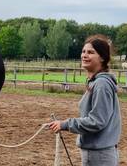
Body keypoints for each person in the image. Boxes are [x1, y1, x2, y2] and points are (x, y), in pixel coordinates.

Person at [49, 34, 121, 166]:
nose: (84, 55)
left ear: (103, 57)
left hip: (99, 156)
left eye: (91, 52)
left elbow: (96, 121)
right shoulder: (96, 83)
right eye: (83, 51)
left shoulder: (101, 84)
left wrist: (65, 124)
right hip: (98, 152)